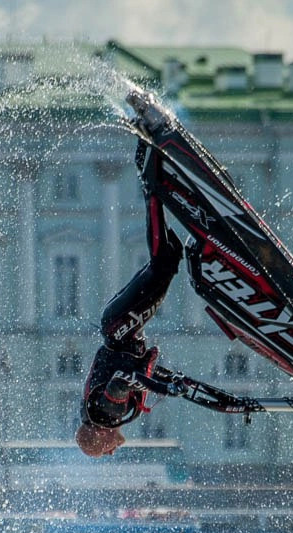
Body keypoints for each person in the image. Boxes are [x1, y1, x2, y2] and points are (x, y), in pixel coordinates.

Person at [74, 143, 183, 458]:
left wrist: (162, 388)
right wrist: (170, 380)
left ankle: (152, 181)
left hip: (121, 329)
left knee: (162, 265)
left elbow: (122, 381)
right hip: (117, 327)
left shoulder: (106, 415)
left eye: (104, 452)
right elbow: (136, 374)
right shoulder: (100, 413)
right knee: (169, 259)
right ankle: (156, 179)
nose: (111, 453)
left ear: (100, 437)